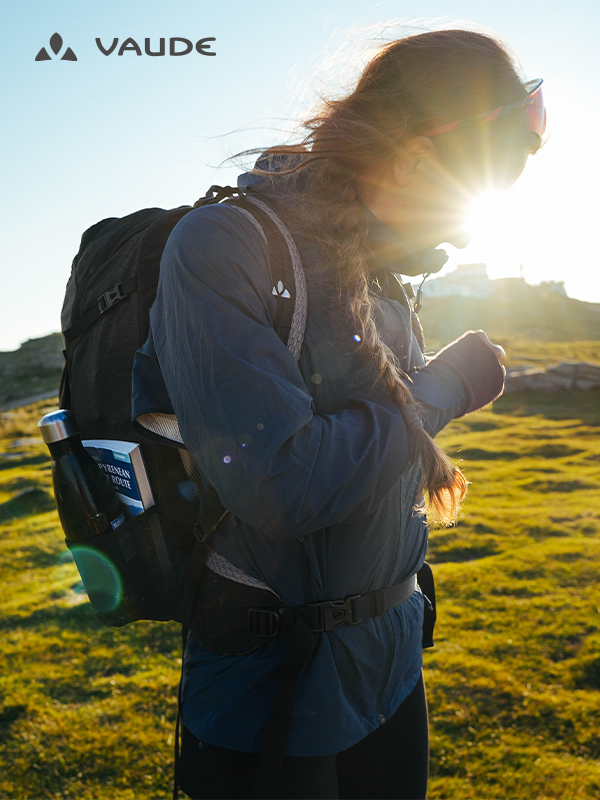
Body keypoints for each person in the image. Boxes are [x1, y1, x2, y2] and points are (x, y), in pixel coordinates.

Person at [132, 28, 545, 800]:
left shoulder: (380, 270)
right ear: (418, 153)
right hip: (271, 692)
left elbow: (371, 435)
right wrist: (445, 388)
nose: (467, 227)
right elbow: (283, 484)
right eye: (492, 174)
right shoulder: (223, 245)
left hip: (389, 666)